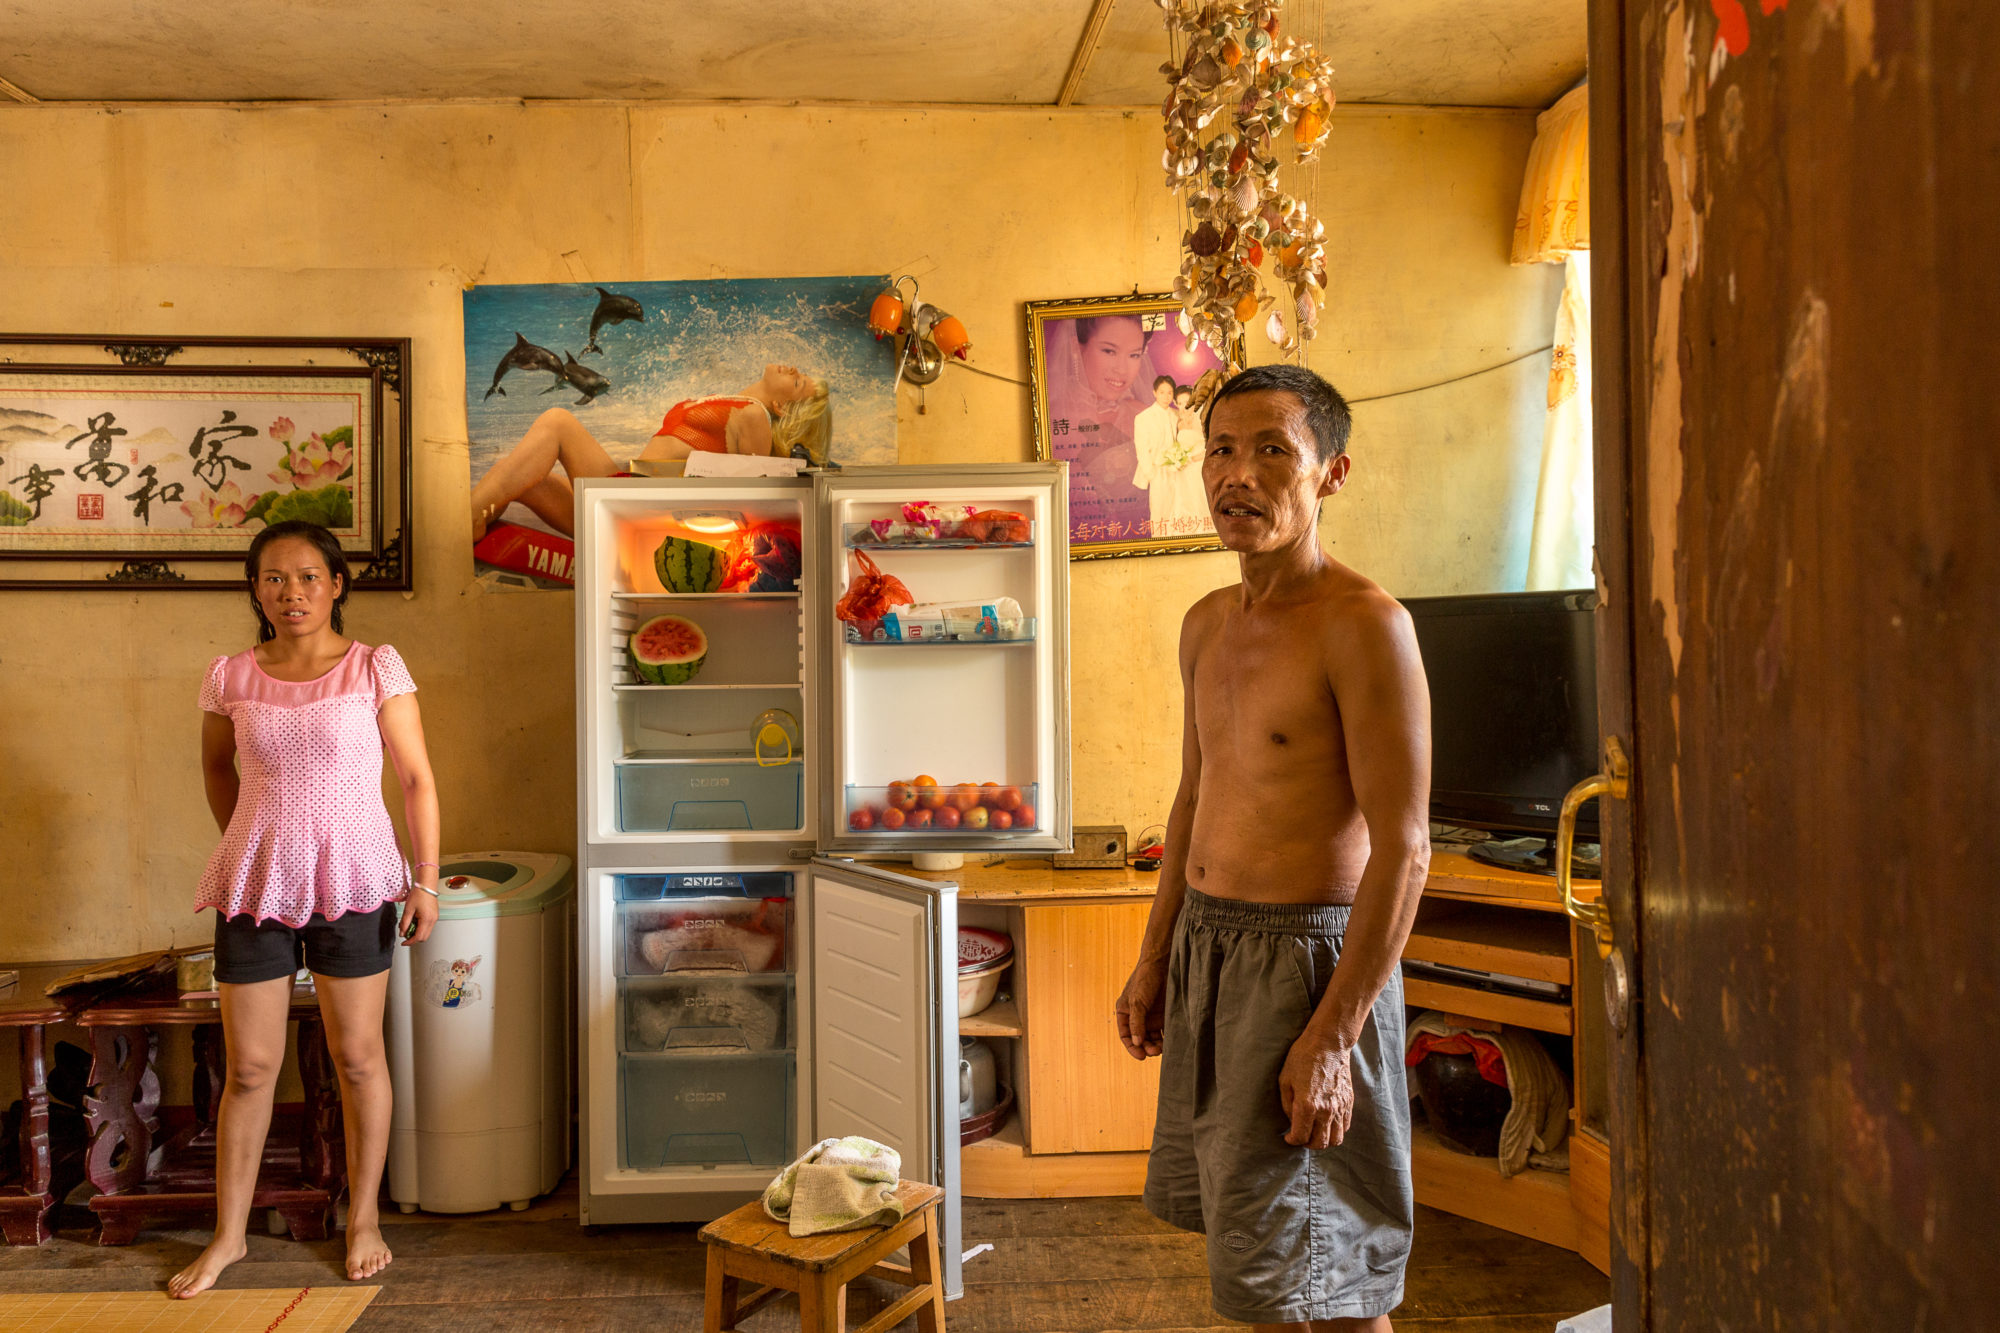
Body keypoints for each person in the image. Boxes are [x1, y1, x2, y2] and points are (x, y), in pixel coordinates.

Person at [1114, 364, 1431, 1331]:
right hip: (1212, 950)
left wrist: (1333, 1036)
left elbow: (1406, 849)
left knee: (1330, 1270)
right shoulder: (1207, 623)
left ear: (1330, 472)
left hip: (1308, 964)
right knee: (1263, 1257)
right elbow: (1194, 795)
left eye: (1271, 451)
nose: (1237, 475)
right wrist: (1156, 954)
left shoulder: (1365, 625)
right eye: (1220, 448)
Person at [170, 520, 441, 1298]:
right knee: (251, 1068)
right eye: (275, 579)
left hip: (357, 881)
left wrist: (424, 880)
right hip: (257, 889)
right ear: (255, 589)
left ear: (337, 584)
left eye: (309, 577)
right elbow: (218, 772)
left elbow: (416, 779)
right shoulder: (228, 675)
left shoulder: (373, 668)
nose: (292, 592)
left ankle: (363, 1220)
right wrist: (259, 848)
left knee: (358, 1057)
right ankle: (229, 1236)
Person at [469, 364, 830, 541]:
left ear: (782, 405)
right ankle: (472, 530)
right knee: (518, 476)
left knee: (558, 421)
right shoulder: (738, 402)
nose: (794, 369)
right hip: (625, 493)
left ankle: (461, 527)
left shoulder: (755, 415)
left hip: (633, 506)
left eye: (797, 382)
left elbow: (752, 497)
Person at [1044, 315, 1153, 530]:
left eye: (1133, 355)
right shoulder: (1052, 416)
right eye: (1109, 351)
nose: (1122, 369)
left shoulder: (1143, 415)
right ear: (1076, 347)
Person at [1131, 375, 1182, 535]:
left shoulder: (1177, 415)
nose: (1166, 397)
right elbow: (1141, 448)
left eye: (1170, 393)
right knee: (1159, 509)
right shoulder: (1143, 417)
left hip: (1179, 469)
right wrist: (1150, 473)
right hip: (1158, 470)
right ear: (1154, 392)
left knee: (1178, 507)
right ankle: (1160, 543)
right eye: (1162, 392)